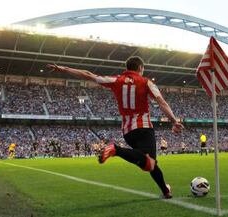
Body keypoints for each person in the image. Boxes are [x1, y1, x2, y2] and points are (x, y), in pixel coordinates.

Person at [47, 56, 183, 199]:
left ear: (127, 68)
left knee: (149, 162)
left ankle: (165, 191)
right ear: (140, 68)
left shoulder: (116, 80)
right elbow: (161, 102)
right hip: (143, 127)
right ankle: (116, 149)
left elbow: (89, 75)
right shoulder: (146, 82)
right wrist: (174, 121)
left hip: (127, 131)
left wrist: (64, 69)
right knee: (149, 163)